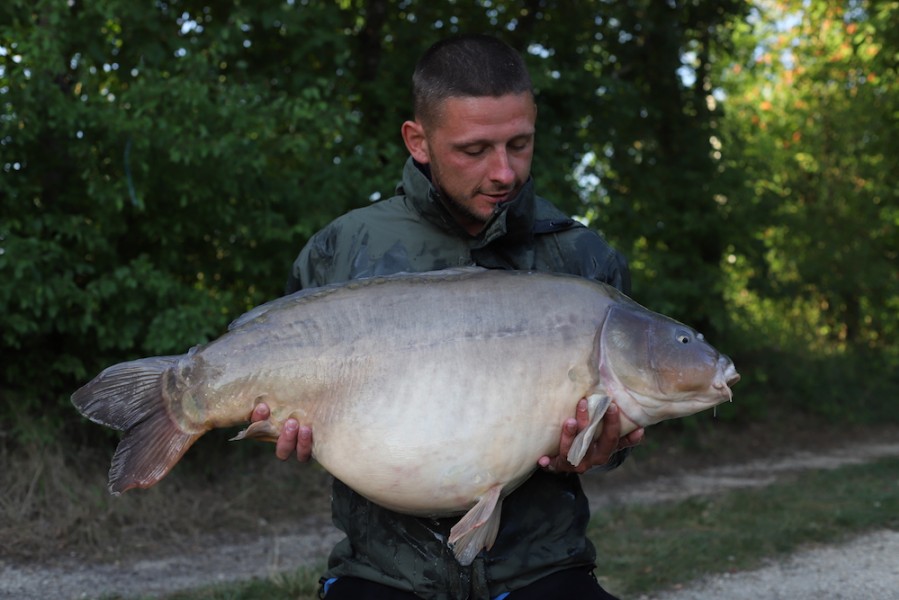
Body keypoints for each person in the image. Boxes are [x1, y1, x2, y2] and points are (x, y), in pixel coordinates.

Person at [251, 34, 644, 600]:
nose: (504, 172)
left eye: (520, 143)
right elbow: (290, 398)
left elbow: (617, 435)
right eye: (475, 150)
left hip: (541, 568)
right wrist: (284, 427)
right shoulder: (343, 250)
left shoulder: (581, 261)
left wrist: (608, 449)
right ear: (419, 140)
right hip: (381, 572)